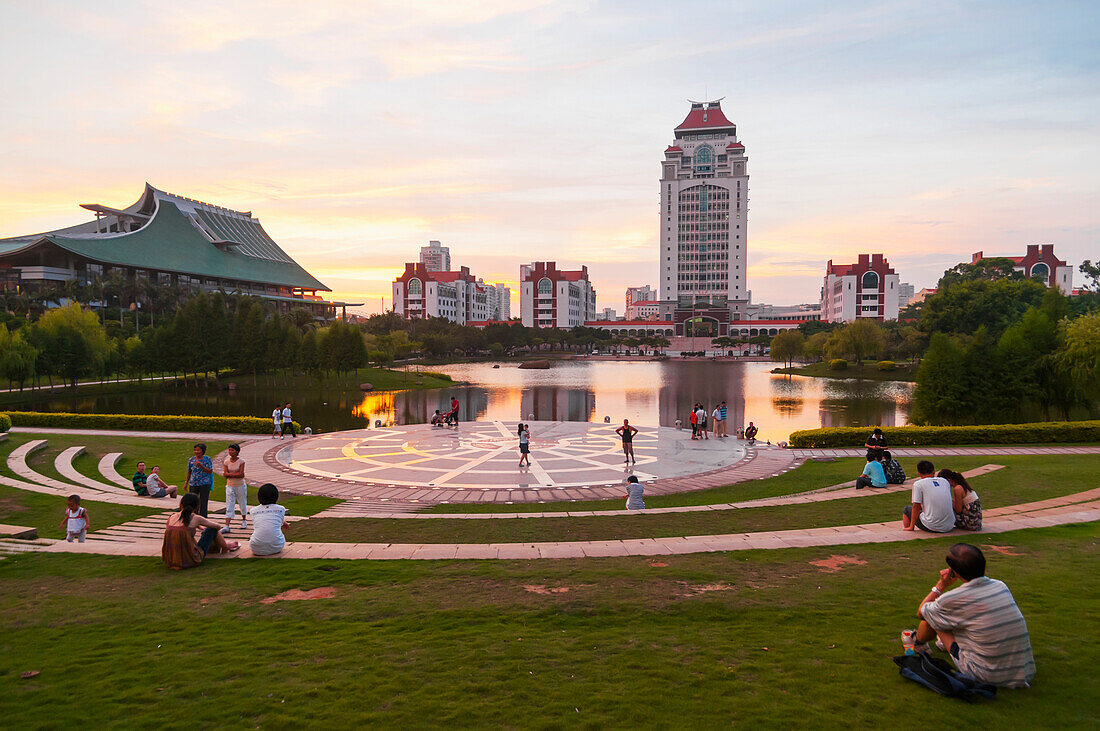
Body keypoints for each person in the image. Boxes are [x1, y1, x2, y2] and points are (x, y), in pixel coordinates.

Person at [907, 543, 1036, 688]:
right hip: (1022, 671)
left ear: (954, 571)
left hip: (984, 674)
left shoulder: (952, 599)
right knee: (948, 616)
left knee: (934, 616)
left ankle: (916, 642)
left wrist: (941, 586)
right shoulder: (1000, 586)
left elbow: (921, 612)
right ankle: (942, 643)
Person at [161, 492, 239, 570]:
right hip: (190, 559)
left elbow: (181, 526)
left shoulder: (172, 517)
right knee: (211, 529)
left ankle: (225, 546)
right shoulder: (196, 518)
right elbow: (217, 526)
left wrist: (197, 526)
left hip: (170, 559)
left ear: (180, 504)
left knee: (207, 530)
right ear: (197, 507)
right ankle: (225, 547)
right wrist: (200, 525)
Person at [902, 460, 955, 533]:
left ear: (919, 474)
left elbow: (916, 507)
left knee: (907, 510)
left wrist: (912, 526)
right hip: (949, 525)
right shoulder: (944, 481)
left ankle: (909, 528)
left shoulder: (918, 484)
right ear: (934, 471)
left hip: (932, 526)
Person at [249, 483, 288, 556]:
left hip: (256, 548)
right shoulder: (281, 509)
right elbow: (274, 518)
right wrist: (284, 523)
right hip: (277, 547)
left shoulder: (253, 511)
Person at [221, 443, 247, 533]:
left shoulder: (241, 461)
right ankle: (227, 525)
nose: (230, 452)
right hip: (229, 485)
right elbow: (225, 474)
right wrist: (234, 475)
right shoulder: (226, 461)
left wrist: (230, 475)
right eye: (229, 450)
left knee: (242, 502)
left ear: (237, 451)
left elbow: (241, 474)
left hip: (240, 485)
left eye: (232, 450)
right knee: (229, 504)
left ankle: (244, 520)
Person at [185, 443, 214, 518]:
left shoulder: (207, 459)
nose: (196, 452)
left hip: (205, 483)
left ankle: (203, 518)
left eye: (198, 450)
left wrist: (201, 466)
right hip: (193, 483)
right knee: (192, 501)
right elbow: (189, 471)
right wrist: (186, 482)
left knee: (203, 502)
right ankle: (192, 516)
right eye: (195, 450)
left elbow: (210, 471)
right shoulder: (191, 460)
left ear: (203, 451)